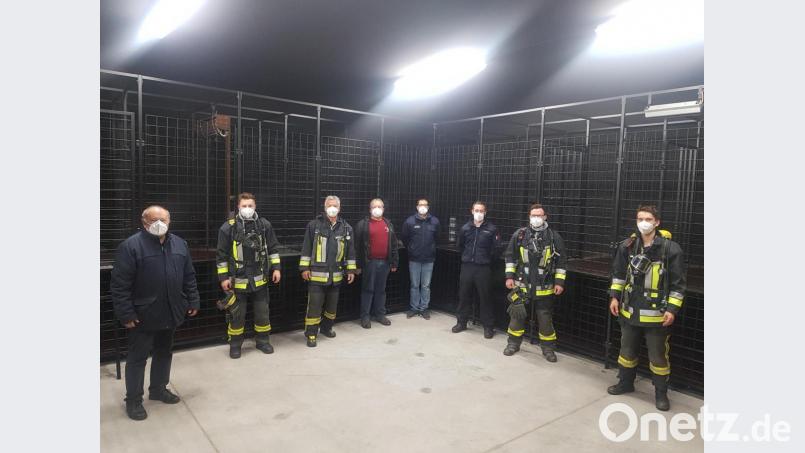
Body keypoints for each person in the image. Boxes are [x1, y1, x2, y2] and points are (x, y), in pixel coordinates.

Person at [110, 205, 200, 421]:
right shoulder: (130, 247)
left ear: (169, 221)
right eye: (153, 220)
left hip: (171, 310)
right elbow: (120, 285)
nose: (159, 224)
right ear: (144, 223)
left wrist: (193, 299)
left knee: (164, 352)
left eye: (164, 220)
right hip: (142, 314)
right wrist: (126, 313)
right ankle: (133, 400)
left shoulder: (180, 244)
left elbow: (189, 275)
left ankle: (158, 389)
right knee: (137, 358)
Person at [607, 204, 686, 411]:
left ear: (657, 222)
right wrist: (614, 297)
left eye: (648, 219)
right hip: (629, 310)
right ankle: (625, 383)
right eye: (640, 219)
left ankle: (661, 394)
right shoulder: (628, 246)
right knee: (626, 350)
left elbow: (678, 285)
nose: (644, 223)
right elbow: (618, 275)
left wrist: (671, 309)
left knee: (658, 356)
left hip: (656, 316)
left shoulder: (670, 249)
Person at [216, 192, 282, 358]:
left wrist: (276, 268)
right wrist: (223, 278)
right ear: (238, 207)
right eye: (244, 206)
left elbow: (273, 248)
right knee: (237, 315)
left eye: (250, 206)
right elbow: (221, 255)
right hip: (237, 280)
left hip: (260, 279)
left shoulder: (264, 225)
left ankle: (263, 341)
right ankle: (235, 345)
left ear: (255, 206)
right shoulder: (228, 228)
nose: (247, 208)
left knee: (262, 313)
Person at [502, 203, 567, 362]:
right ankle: (513, 344)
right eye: (534, 215)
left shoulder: (553, 237)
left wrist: (559, 282)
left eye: (539, 215)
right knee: (517, 315)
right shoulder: (520, 235)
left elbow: (562, 262)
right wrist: (509, 277)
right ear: (529, 217)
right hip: (521, 285)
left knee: (545, 319)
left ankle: (548, 349)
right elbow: (510, 256)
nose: (536, 218)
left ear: (545, 217)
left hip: (544, 287)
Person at [299, 196, 357, 347]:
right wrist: (304, 268)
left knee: (332, 306)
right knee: (314, 307)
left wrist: (351, 270)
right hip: (316, 276)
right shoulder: (314, 225)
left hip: (336, 276)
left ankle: (326, 328)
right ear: (325, 208)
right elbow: (306, 247)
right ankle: (311, 334)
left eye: (335, 205)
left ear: (339, 208)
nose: (332, 208)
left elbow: (351, 251)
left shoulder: (346, 228)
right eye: (329, 205)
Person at [452, 201, 500, 338]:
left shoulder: (491, 229)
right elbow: (460, 246)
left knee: (485, 297)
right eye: (476, 210)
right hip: (467, 266)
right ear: (472, 211)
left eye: (481, 211)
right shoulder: (465, 228)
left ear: (485, 212)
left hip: (483, 268)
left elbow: (496, 249)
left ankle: (488, 327)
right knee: (464, 295)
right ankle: (461, 323)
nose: (479, 213)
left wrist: (486, 259)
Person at [355, 198, 399, 328]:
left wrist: (394, 262)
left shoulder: (388, 224)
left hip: (385, 263)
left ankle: (380, 315)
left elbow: (394, 244)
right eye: (374, 206)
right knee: (368, 290)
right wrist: (357, 265)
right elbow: (357, 247)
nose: (377, 209)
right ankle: (365, 317)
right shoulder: (363, 225)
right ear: (370, 209)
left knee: (381, 290)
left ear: (384, 209)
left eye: (380, 206)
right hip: (369, 263)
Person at [401, 198, 439, 319]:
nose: (423, 207)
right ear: (417, 207)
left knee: (426, 286)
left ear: (428, 207)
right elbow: (405, 238)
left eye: (425, 205)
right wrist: (412, 249)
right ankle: (414, 308)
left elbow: (437, 237)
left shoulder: (434, 221)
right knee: (414, 285)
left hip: (429, 259)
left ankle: (424, 308)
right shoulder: (409, 221)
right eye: (420, 205)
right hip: (414, 259)